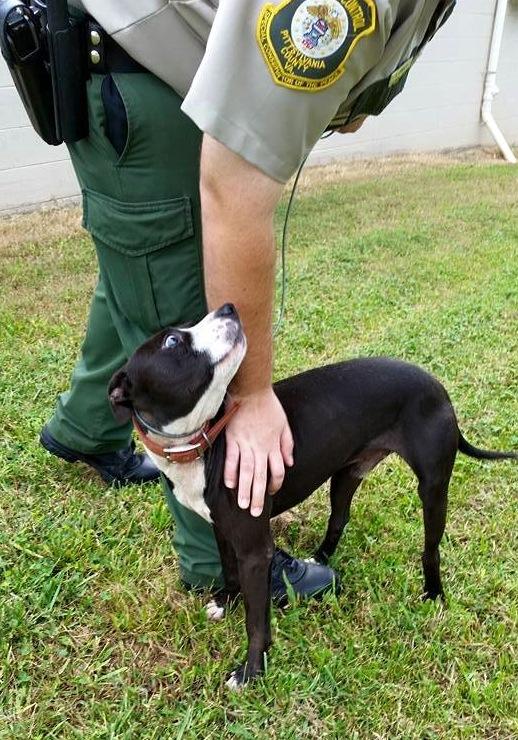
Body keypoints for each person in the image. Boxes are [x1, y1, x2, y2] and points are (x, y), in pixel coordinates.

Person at [40, 0, 455, 597]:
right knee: (174, 316)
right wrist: (253, 395)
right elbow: (233, 184)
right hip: (145, 82)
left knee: (138, 274)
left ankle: (82, 428)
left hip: (138, 68)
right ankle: (223, 557)